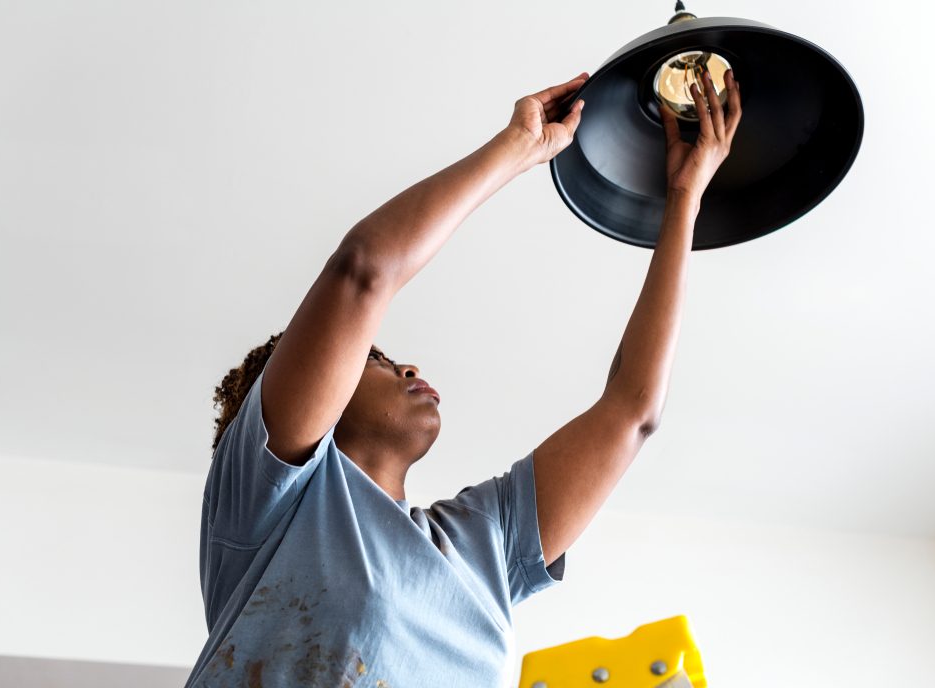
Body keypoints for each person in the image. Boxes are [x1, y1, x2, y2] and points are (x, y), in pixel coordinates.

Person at [185, 67, 742, 687]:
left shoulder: (481, 548)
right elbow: (363, 273)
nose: (408, 366)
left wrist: (683, 200)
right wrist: (517, 149)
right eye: (376, 358)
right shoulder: (269, 502)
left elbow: (630, 411)